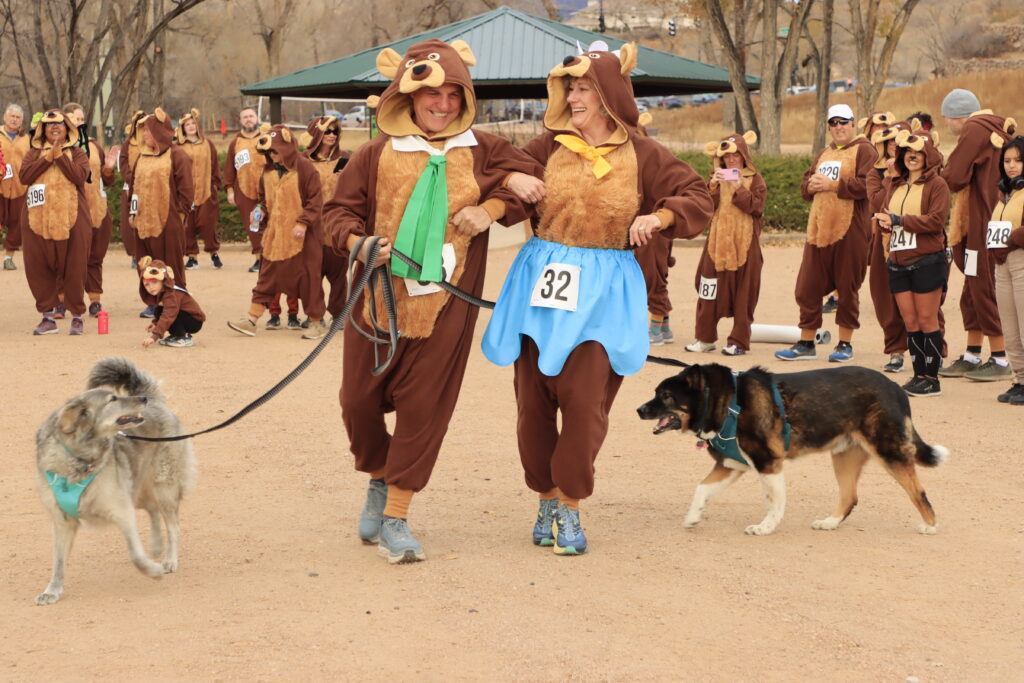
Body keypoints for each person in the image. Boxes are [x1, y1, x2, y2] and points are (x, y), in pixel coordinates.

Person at [483, 42, 714, 555]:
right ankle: (544, 495)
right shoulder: (549, 147)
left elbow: (698, 194)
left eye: (584, 87)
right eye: (569, 87)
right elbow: (491, 169)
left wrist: (660, 216)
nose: (574, 96)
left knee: (586, 405)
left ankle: (571, 504)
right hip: (540, 289)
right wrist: (510, 178)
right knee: (533, 405)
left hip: (604, 294)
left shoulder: (643, 154)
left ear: (609, 94)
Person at [323, 39, 536, 563]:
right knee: (357, 403)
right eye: (430, 95)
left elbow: (535, 179)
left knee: (424, 410)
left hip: (447, 304)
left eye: (451, 94)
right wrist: (360, 243)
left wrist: (490, 206)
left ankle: (396, 513)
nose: (440, 105)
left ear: (465, 96)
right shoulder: (375, 153)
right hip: (378, 299)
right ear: (407, 95)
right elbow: (336, 215)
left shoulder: (483, 147)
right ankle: (377, 475)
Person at [775, 103, 875, 362]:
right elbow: (805, 185)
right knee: (807, 288)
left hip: (849, 230)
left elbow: (869, 185)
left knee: (847, 288)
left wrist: (834, 185)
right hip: (818, 231)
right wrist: (810, 186)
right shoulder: (824, 152)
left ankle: (844, 344)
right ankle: (806, 343)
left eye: (844, 122)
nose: (839, 127)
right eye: (833, 123)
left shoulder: (864, 149)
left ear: (854, 123)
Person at [938, 89, 1015, 382]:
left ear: (953, 116)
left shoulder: (973, 129)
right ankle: (972, 354)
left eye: (946, 120)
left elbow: (955, 175)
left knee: (982, 288)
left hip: (982, 223)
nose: (948, 126)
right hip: (991, 222)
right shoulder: (994, 129)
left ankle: (999, 358)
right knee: (972, 292)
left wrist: (939, 176)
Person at [226, 125, 327, 340]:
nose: (272, 156)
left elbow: (315, 201)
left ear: (287, 147)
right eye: (269, 152)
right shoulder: (268, 170)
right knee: (267, 276)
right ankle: (252, 319)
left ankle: (316, 322)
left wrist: (303, 222)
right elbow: (264, 198)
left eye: (276, 150)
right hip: (275, 236)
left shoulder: (305, 169)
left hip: (303, 238)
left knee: (309, 279)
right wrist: (260, 211)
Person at [873, 129, 949, 396]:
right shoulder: (895, 184)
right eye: (908, 153)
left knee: (928, 319)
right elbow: (886, 214)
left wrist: (899, 221)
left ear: (928, 156)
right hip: (897, 261)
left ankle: (933, 378)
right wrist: (885, 223)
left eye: (918, 153)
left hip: (927, 260)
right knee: (910, 320)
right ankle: (918, 375)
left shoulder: (937, 185)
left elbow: (936, 221)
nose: (912, 157)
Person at [686, 130, 766, 356]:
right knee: (707, 292)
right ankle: (704, 338)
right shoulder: (716, 179)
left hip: (745, 247)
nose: (731, 160)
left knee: (744, 297)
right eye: (726, 157)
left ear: (743, 155)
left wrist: (740, 186)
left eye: (735, 156)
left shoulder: (755, 180)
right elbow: (703, 209)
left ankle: (738, 342)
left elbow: (756, 208)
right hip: (716, 247)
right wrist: (711, 186)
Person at [18, 110, 91, 335]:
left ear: (67, 128)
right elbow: (24, 177)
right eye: (49, 126)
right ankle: (48, 317)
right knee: (38, 266)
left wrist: (59, 156)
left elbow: (79, 177)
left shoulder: (78, 153)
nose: (54, 128)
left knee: (74, 267)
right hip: (36, 219)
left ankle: (77, 315)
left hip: (73, 218)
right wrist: (47, 158)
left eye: (59, 124)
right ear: (42, 130)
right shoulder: (33, 153)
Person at [126, 108, 194, 312]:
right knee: (146, 262)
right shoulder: (141, 157)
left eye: (148, 130)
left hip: (168, 221)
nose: (144, 135)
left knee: (170, 264)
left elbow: (187, 189)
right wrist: (133, 211)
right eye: (143, 131)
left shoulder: (177, 155)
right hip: (143, 221)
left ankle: (176, 302)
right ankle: (153, 302)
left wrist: (180, 215)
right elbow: (134, 187)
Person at [865, 113, 910, 373]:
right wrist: (890, 176)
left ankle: (930, 350)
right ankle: (895, 350)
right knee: (885, 297)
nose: (894, 146)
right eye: (890, 141)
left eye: (900, 142)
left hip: (917, 245)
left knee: (921, 299)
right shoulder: (876, 172)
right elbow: (877, 204)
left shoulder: (922, 173)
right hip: (883, 244)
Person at [63, 102, 115, 318]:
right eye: (75, 118)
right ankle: (61, 302)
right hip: (70, 211)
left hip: (97, 209)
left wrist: (109, 169)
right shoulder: (59, 147)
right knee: (68, 258)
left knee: (95, 258)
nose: (80, 121)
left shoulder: (93, 145)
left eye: (82, 118)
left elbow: (106, 180)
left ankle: (95, 300)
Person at [987, 135, 1024, 405]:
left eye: (1018, 160)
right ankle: (1020, 379)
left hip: (1021, 260)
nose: (1012, 166)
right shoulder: (1004, 193)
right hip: (1002, 264)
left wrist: (1010, 240)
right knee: (1010, 328)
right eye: (1007, 160)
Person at [302, 115, 350, 321]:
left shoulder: (344, 159)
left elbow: (353, 188)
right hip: (312, 227)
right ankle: (314, 315)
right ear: (316, 133)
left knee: (339, 275)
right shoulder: (303, 161)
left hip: (336, 225)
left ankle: (339, 314)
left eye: (335, 131)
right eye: (327, 131)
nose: (332, 135)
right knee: (312, 275)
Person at [175, 108, 223, 270]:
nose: (190, 127)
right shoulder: (178, 147)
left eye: (192, 123)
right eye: (187, 124)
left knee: (207, 223)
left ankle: (213, 252)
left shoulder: (207, 144)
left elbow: (215, 164)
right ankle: (192, 256)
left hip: (206, 191)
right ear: (182, 128)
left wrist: (216, 184)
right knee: (187, 226)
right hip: (185, 193)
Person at [224, 106, 267, 272]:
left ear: (256, 118)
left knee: (270, 223)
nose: (248, 119)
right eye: (245, 117)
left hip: (268, 191)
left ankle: (272, 258)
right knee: (254, 224)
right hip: (245, 191)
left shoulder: (266, 139)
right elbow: (229, 168)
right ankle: (259, 258)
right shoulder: (236, 142)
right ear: (240, 121)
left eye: (251, 116)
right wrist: (229, 190)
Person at [138, 256, 205, 348]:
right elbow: (162, 312)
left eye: (154, 282)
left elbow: (168, 314)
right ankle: (176, 335)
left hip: (194, 321)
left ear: (163, 280)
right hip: (184, 317)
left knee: (171, 313)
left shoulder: (171, 293)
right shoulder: (162, 292)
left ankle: (184, 337)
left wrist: (154, 336)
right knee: (158, 309)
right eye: (147, 285)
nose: (151, 287)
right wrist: (155, 324)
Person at [1, 104, 29, 271]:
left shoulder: (27, 139)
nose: (14, 119)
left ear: (22, 121)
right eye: (11, 116)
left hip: (20, 187)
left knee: (16, 224)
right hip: (0, 186)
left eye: (18, 117)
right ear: (5, 117)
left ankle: (8, 258)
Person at [118, 110, 146, 270]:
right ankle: (135, 254)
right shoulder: (128, 144)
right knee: (130, 223)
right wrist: (133, 182)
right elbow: (123, 166)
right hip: (131, 189)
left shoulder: (153, 143)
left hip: (149, 189)